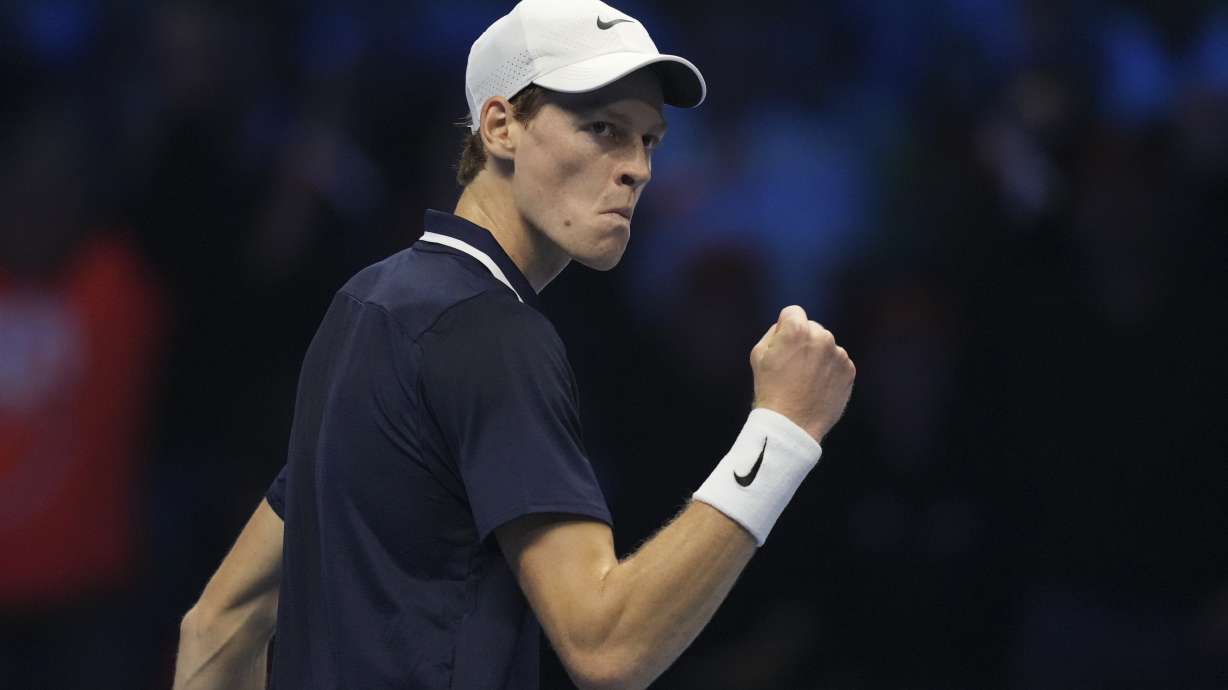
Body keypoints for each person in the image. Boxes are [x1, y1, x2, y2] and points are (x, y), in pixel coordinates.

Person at [172, 1, 856, 688]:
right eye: (603, 129)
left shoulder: (366, 304)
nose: (637, 168)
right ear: (499, 126)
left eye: (649, 139)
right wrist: (781, 431)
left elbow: (218, 624)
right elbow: (606, 646)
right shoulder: (493, 333)